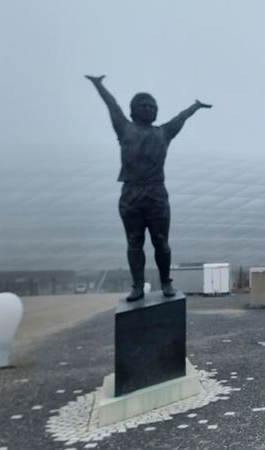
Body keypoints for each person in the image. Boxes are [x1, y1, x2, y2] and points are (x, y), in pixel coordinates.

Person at [86, 75, 212, 301]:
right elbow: (111, 104)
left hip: (156, 193)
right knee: (134, 242)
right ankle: (137, 285)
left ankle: (166, 282)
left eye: (152, 106)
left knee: (161, 241)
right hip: (131, 193)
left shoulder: (163, 132)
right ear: (133, 110)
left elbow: (182, 117)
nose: (148, 108)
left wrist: (195, 106)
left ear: (156, 111)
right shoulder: (124, 128)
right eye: (143, 105)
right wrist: (99, 84)